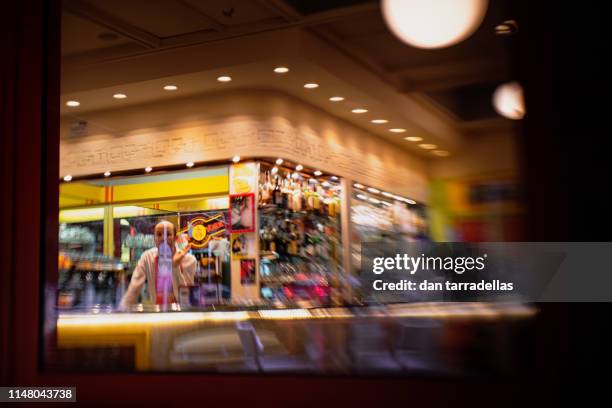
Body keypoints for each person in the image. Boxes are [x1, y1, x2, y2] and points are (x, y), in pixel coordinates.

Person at [119, 220, 196, 310]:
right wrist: (121, 311)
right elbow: (133, 289)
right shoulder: (147, 257)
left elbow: (186, 299)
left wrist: (174, 267)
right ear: (154, 239)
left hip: (181, 314)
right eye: (159, 235)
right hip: (157, 313)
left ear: (176, 238)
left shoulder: (189, 260)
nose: (163, 238)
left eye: (168, 234)